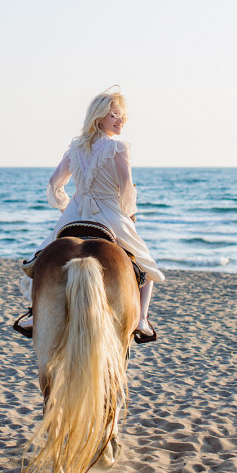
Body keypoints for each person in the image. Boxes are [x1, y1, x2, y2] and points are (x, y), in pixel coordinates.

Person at [16, 88, 164, 338]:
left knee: (39, 261)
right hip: (109, 211)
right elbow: (127, 188)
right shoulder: (118, 148)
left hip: (74, 213)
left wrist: (65, 206)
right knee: (145, 266)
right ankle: (141, 321)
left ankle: (35, 313)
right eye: (114, 115)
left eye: (122, 116)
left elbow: (54, 183)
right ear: (99, 117)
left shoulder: (75, 148)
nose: (120, 120)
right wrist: (128, 213)